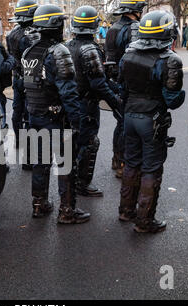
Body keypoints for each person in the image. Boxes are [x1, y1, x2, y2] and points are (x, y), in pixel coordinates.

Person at [21, 4, 91, 224]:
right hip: (56, 119)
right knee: (66, 164)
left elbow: (27, 87)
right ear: (55, 24)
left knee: (40, 163)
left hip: (34, 116)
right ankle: (67, 211)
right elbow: (69, 93)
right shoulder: (59, 51)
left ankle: (39, 205)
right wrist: (77, 123)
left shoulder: (28, 51)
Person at [118, 10, 185, 231]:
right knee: (151, 169)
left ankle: (126, 211)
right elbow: (173, 100)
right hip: (152, 119)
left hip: (129, 116)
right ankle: (145, 221)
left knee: (131, 163)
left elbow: (121, 88)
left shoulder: (127, 55)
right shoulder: (170, 60)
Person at [66, 5, 122, 197]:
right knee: (89, 143)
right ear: (95, 26)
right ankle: (82, 183)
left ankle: (70, 185)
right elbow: (98, 84)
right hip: (86, 105)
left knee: (72, 145)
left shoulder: (66, 47)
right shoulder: (90, 49)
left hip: (70, 103)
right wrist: (116, 102)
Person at [105, 0, 147, 179]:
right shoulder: (134, 28)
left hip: (114, 81)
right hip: (128, 83)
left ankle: (117, 159)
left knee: (120, 123)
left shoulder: (112, 28)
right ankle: (124, 163)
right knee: (127, 126)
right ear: (135, 10)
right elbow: (136, 58)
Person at [6, 0, 37, 159]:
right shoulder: (31, 35)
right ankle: (29, 150)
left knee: (17, 110)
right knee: (30, 112)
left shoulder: (12, 33)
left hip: (17, 77)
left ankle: (19, 140)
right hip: (29, 77)